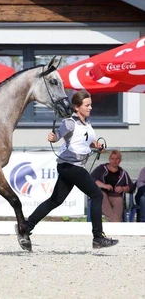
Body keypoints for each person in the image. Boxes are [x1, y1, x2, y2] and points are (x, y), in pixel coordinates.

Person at [17, 90, 119, 249]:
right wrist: (54, 137)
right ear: (77, 107)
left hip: (70, 167)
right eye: (87, 105)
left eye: (90, 105)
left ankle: (25, 228)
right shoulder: (70, 122)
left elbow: (87, 141)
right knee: (97, 195)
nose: (90, 108)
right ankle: (98, 237)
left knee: (55, 200)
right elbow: (59, 134)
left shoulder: (87, 123)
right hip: (70, 166)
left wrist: (97, 146)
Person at [91, 150, 134, 222]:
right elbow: (91, 179)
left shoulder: (123, 173)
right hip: (102, 193)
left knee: (119, 200)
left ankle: (114, 223)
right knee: (101, 196)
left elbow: (131, 187)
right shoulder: (101, 168)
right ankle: (116, 223)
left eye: (117, 159)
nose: (114, 161)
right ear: (109, 159)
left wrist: (123, 188)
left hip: (115, 195)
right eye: (112, 158)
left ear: (120, 160)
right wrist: (104, 185)